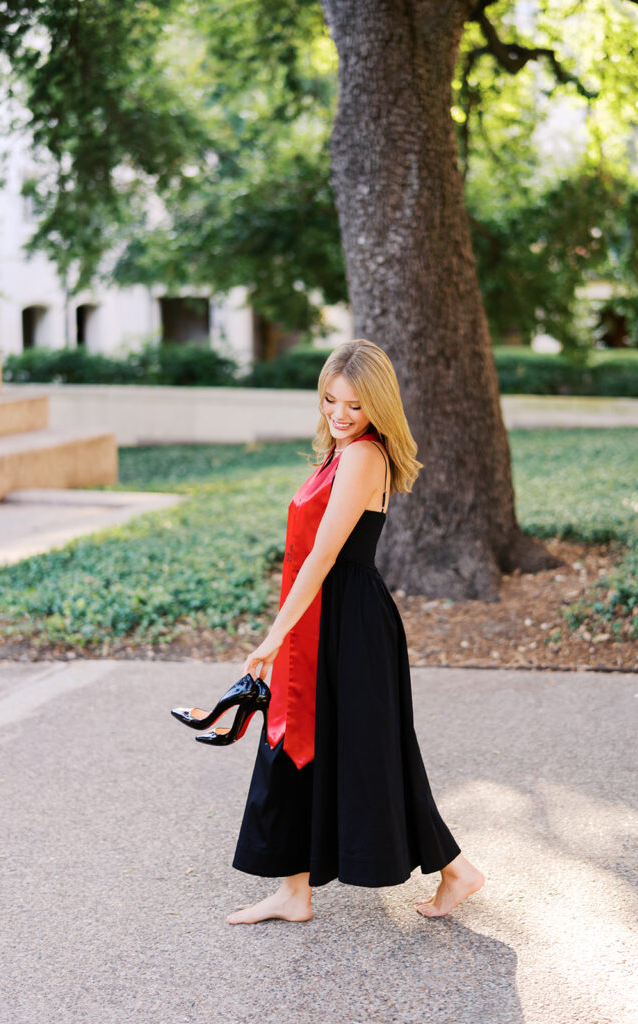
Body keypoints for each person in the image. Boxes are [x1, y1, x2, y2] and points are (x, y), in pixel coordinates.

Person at [229, 338, 484, 924]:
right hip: (321, 615)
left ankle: (457, 870)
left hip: (349, 621)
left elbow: (323, 555)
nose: (340, 414)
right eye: (330, 400)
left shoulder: (364, 456)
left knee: (372, 753)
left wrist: (272, 636)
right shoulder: (338, 454)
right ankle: (294, 892)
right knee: (297, 746)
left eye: (355, 405)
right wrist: (285, 630)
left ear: (378, 406)